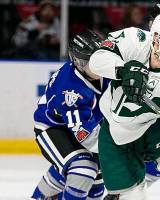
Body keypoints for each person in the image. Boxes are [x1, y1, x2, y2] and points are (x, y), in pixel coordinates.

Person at [87, 12, 160, 200]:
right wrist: (123, 69)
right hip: (115, 131)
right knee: (132, 196)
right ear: (156, 38)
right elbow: (96, 60)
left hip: (153, 128)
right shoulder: (134, 39)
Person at [30, 30, 109, 200]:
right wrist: (122, 149)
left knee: (96, 185)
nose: (99, 66)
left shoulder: (104, 69)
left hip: (84, 125)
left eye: (100, 59)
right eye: (92, 62)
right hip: (53, 129)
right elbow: (86, 137)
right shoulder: (71, 92)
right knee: (83, 168)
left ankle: (41, 197)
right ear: (79, 63)